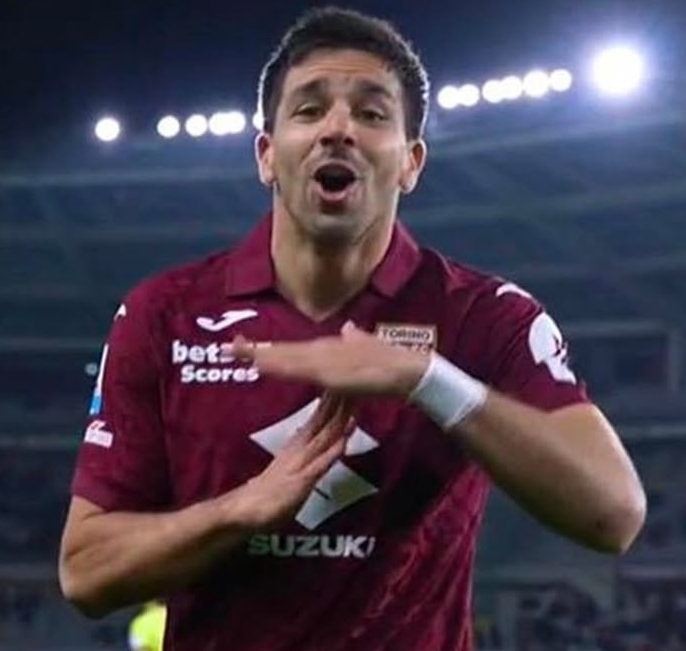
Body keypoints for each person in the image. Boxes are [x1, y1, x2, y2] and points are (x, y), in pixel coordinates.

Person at [58, 6, 646, 651]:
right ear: (266, 155)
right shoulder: (164, 315)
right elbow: (86, 572)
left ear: (411, 163)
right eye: (309, 110)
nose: (338, 129)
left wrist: (429, 380)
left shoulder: (486, 317)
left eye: (371, 114)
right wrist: (242, 509)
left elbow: (613, 514)